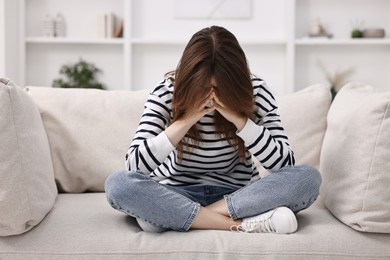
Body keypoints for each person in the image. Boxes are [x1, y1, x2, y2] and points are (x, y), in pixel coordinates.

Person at [105, 25, 321, 234]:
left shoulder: (256, 92)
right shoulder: (166, 92)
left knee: (308, 178)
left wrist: (240, 120)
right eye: (203, 88)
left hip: (239, 195)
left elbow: (284, 165)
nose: (211, 97)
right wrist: (187, 120)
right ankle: (240, 224)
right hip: (176, 194)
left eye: (220, 89)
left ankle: (176, 218)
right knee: (119, 184)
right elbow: (134, 166)